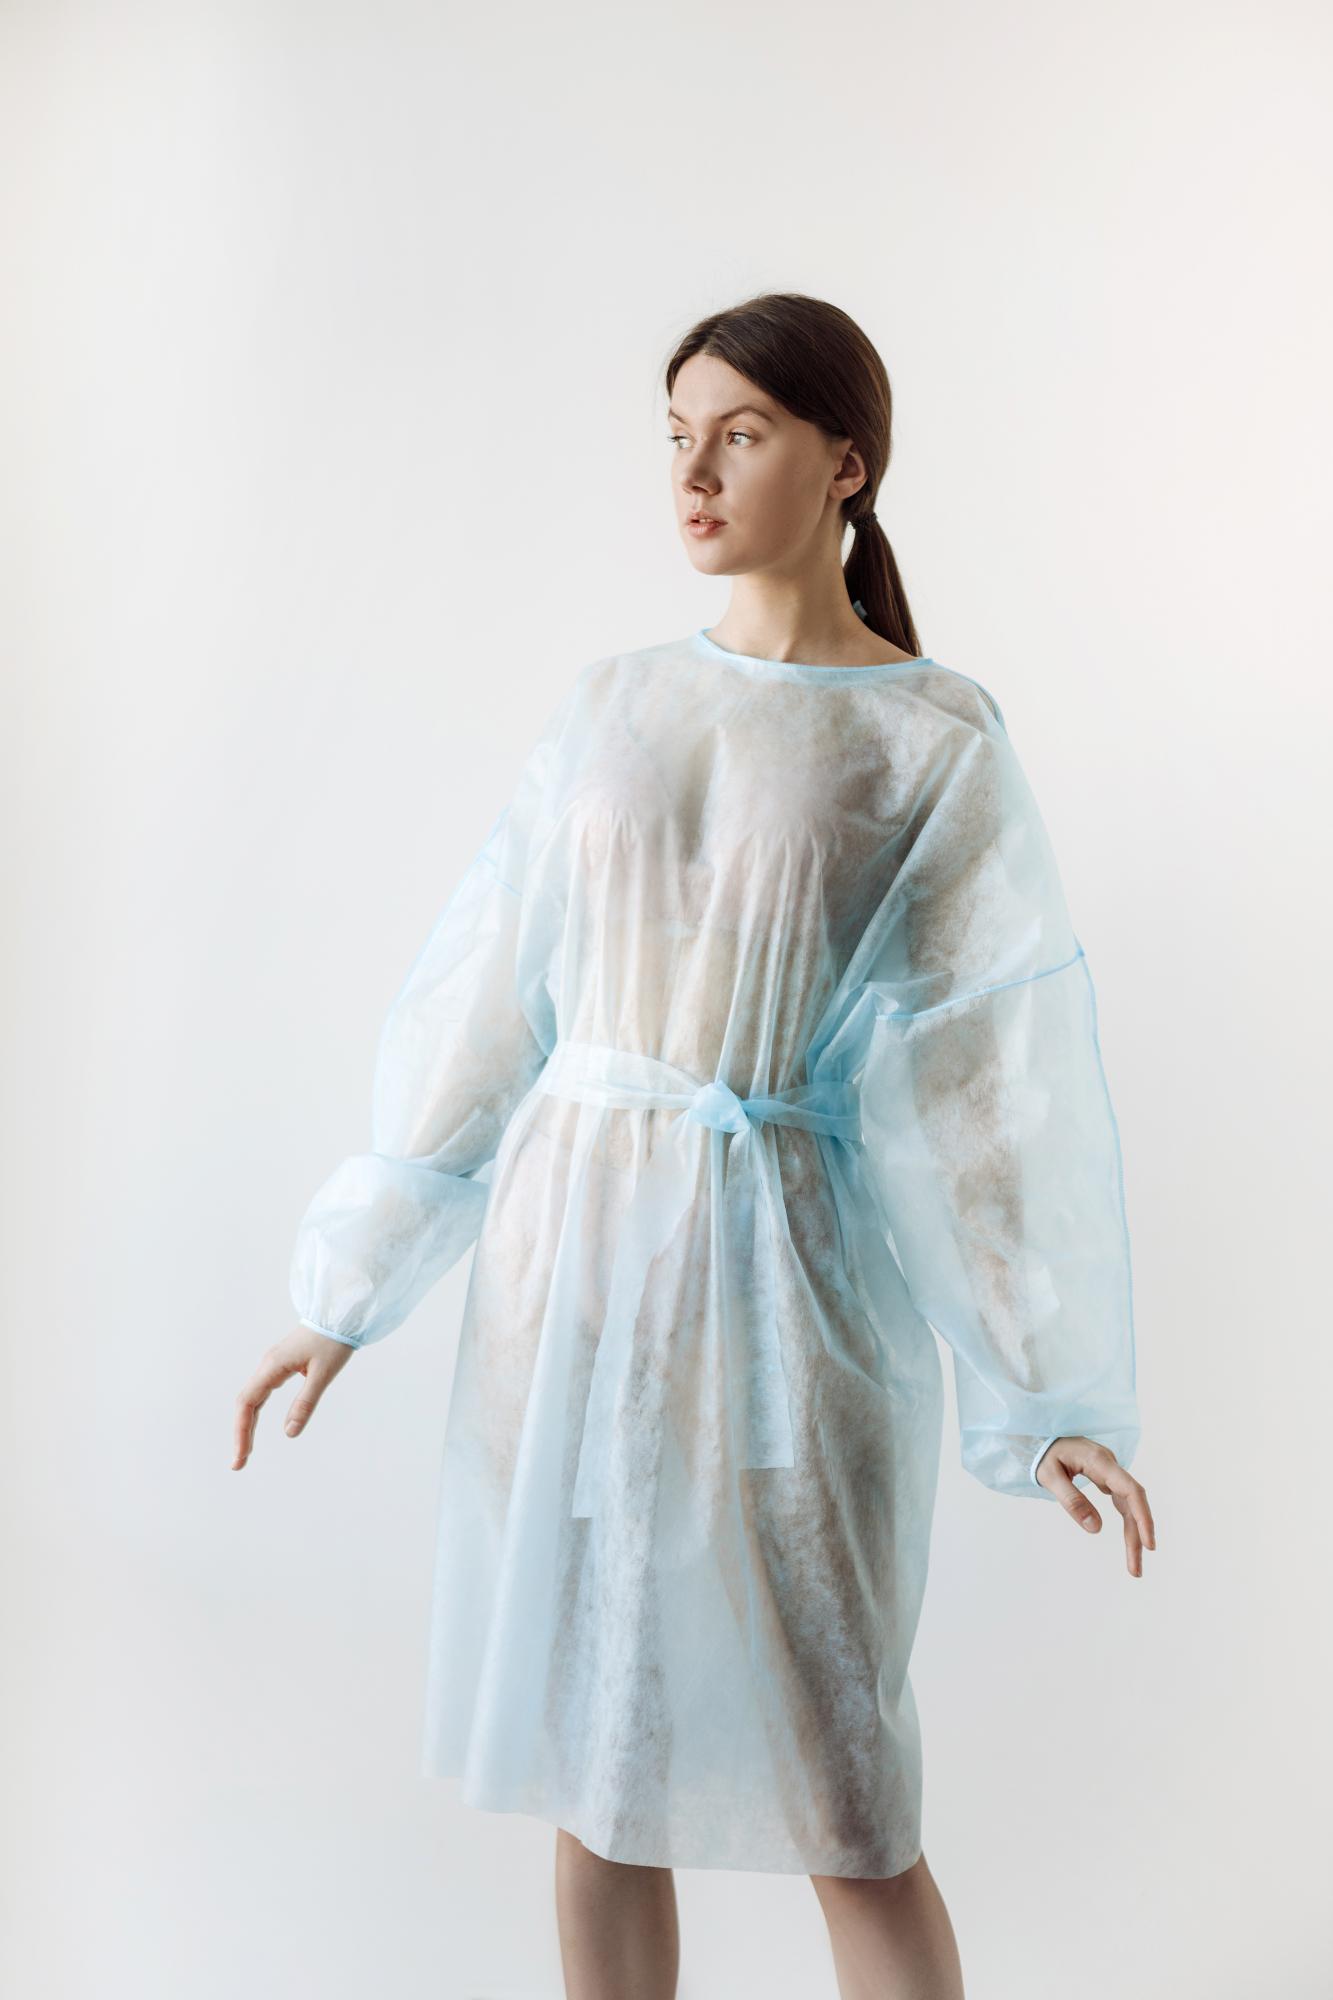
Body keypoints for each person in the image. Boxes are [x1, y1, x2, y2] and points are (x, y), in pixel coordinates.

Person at [233, 291, 1155, 2000]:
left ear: (845, 464)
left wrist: (1049, 1395)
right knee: (597, 1767)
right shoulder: (615, 701)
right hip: (567, 1272)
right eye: (676, 436)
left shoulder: (930, 737)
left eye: (739, 434)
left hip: (786, 1290)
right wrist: (343, 1289)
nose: (693, 473)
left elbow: (984, 1082)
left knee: (848, 1796)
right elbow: (491, 1000)